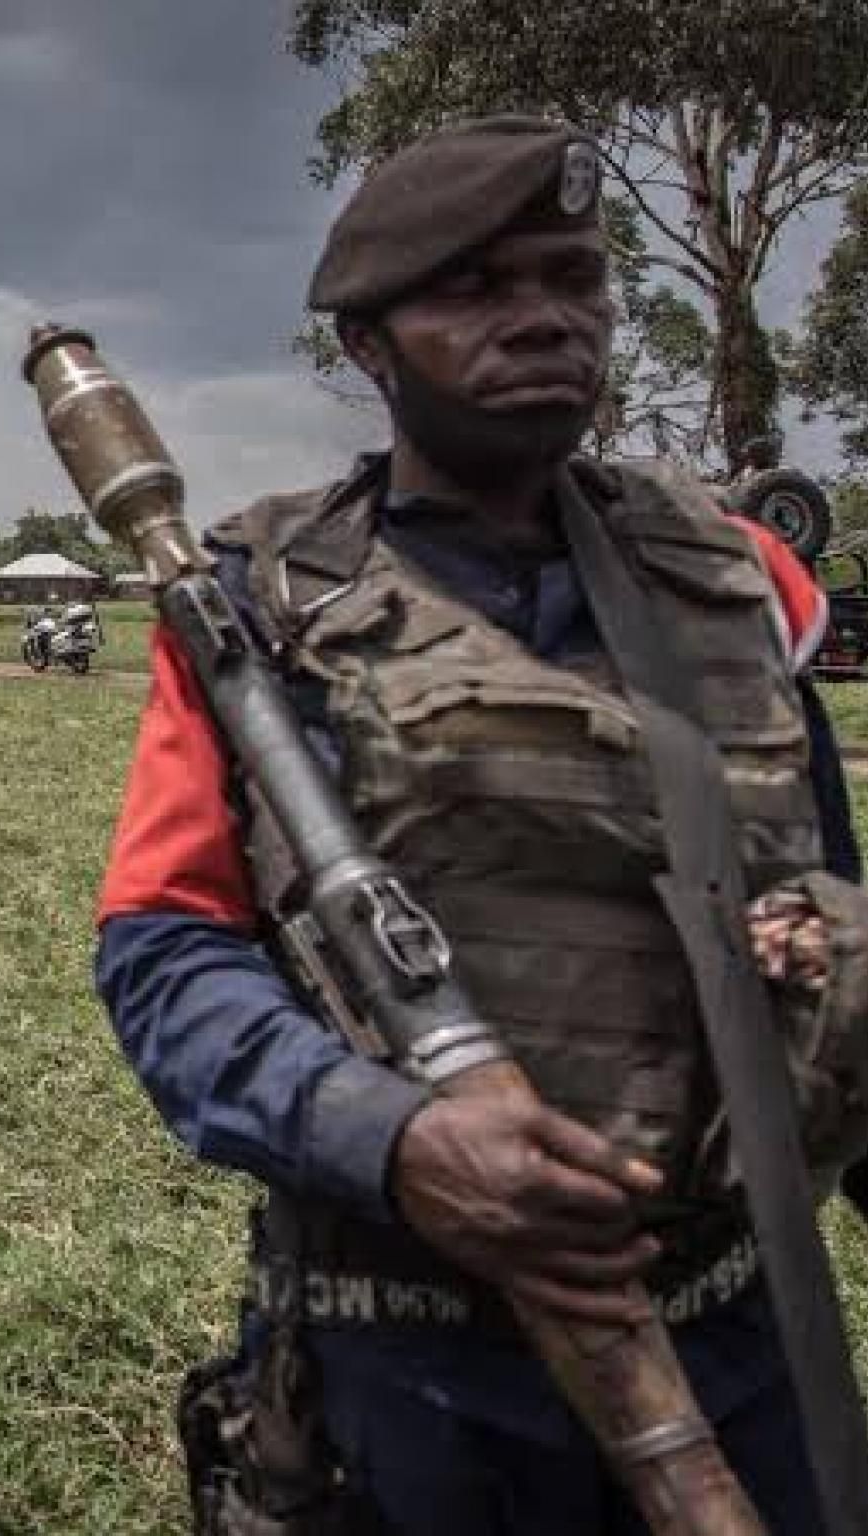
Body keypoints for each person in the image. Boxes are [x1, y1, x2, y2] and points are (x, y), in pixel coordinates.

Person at [94, 117, 863, 1534]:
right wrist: (392, 1141)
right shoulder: (253, 607)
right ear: (371, 350)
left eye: (575, 279)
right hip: (412, 1378)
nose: (544, 320)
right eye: (478, 289)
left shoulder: (739, 581)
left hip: (745, 1345)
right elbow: (165, 954)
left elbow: (827, 920)